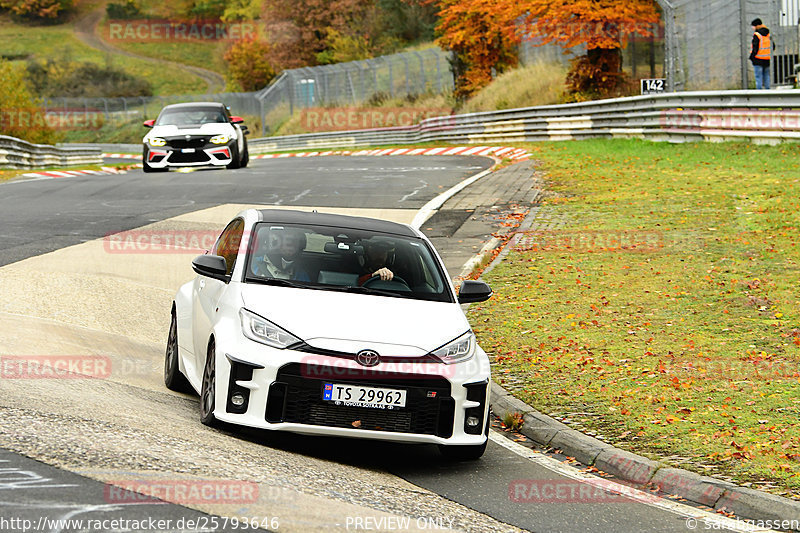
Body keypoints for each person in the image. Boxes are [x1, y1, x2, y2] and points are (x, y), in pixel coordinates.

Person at [749, 18, 772, 90]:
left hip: (758, 59)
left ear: (757, 25)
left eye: (754, 26)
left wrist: (752, 57)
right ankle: (768, 92)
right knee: (766, 76)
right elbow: (772, 46)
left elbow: (755, 48)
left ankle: (759, 93)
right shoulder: (768, 34)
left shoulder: (757, 35)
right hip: (767, 59)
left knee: (758, 77)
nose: (753, 28)